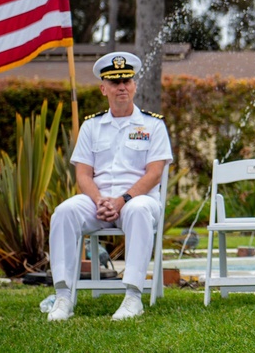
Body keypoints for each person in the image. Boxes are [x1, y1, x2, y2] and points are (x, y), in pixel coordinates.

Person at [46, 52, 173, 321]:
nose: (122, 87)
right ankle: (63, 297)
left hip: (137, 201)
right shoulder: (91, 126)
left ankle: (133, 297)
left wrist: (122, 200)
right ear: (104, 88)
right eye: (115, 82)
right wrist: (100, 200)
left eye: (127, 80)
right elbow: (83, 174)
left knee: (138, 210)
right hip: (97, 201)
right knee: (64, 212)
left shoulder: (153, 125)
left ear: (135, 85)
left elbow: (155, 174)